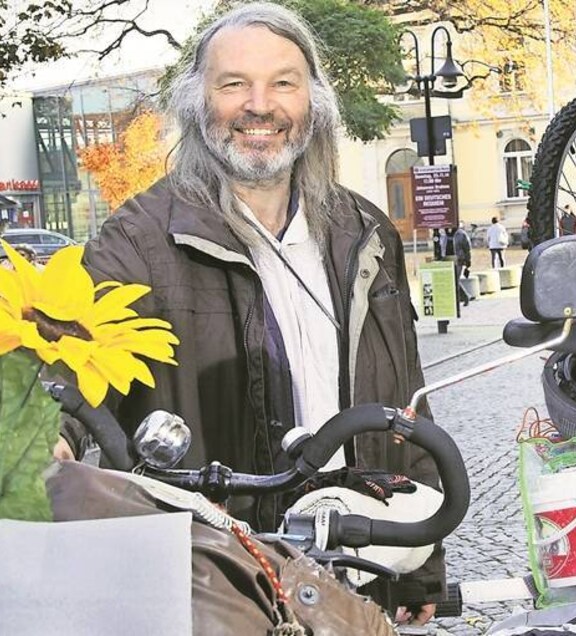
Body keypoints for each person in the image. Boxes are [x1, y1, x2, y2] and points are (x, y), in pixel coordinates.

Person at [56, 2, 443, 624]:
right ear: (196, 102)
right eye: (233, 84)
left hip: (358, 569)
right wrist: (45, 432)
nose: (259, 105)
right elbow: (71, 345)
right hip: (220, 583)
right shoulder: (140, 238)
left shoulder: (366, 230)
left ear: (313, 103)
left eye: (282, 83)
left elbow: (408, 404)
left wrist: (421, 563)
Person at [453, 221, 472, 306]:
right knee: (453, 281)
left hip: (459, 260)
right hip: (448, 261)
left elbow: (467, 248)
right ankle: (464, 297)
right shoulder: (444, 234)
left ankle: (463, 298)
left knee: (455, 280)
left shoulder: (461, 234)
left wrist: (468, 261)